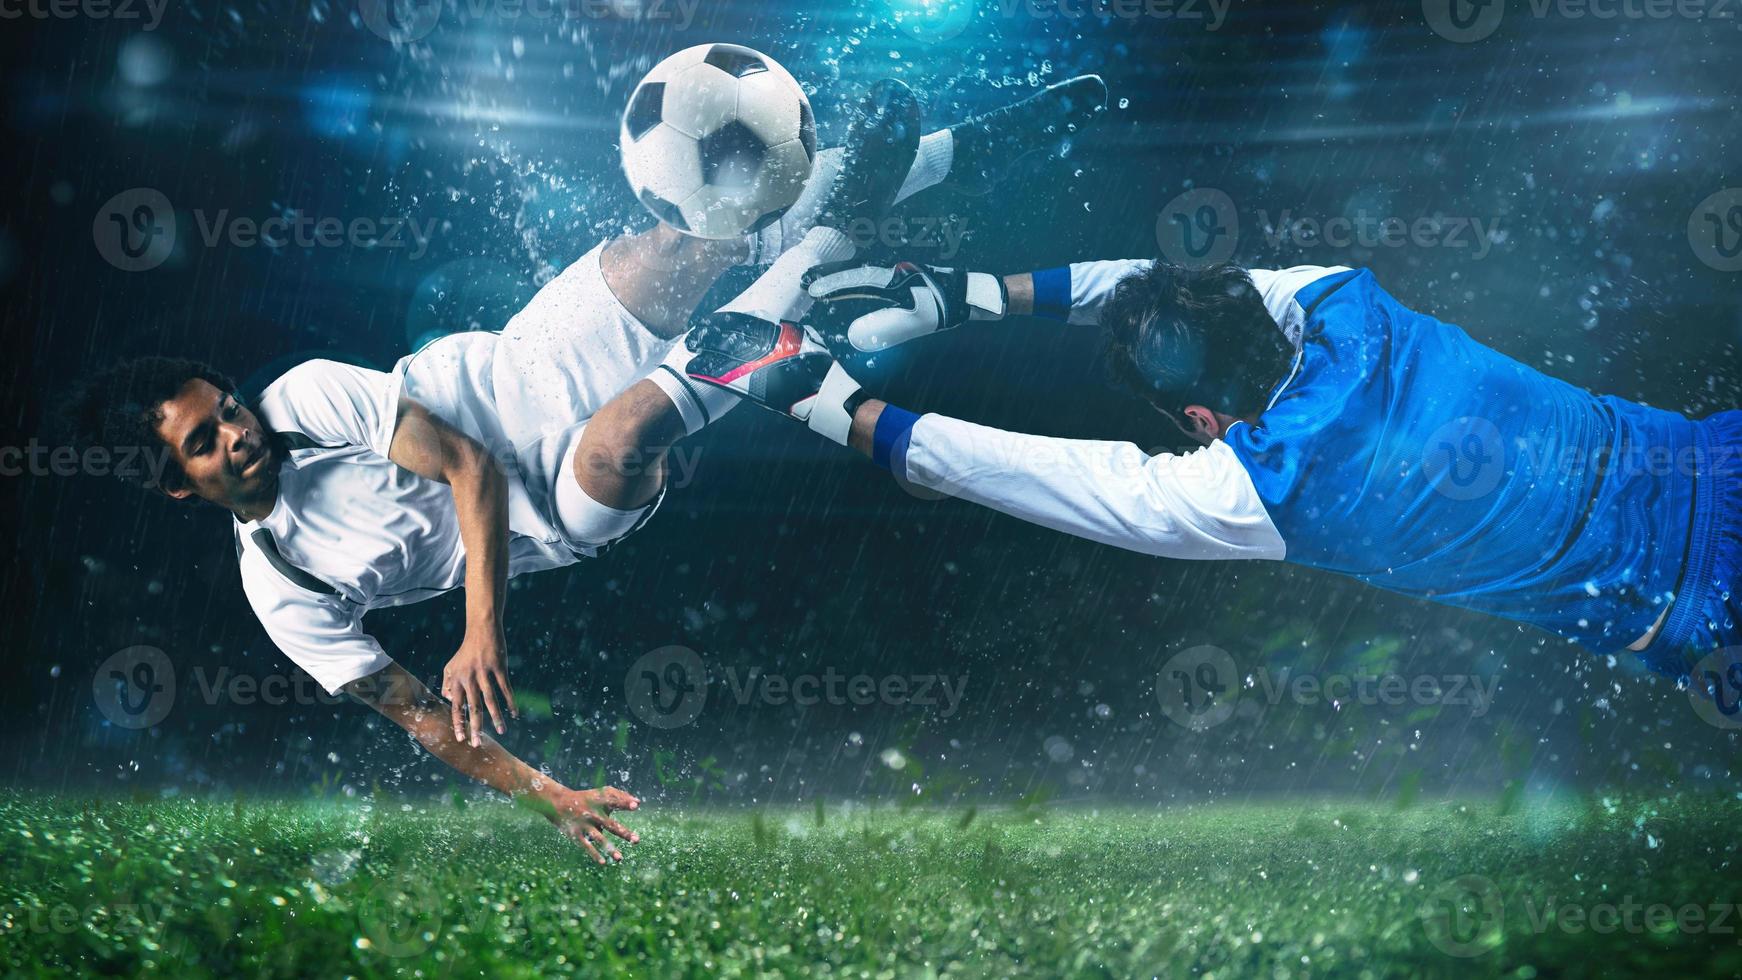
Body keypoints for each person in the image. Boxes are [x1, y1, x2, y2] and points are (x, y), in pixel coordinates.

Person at [62, 75, 1112, 861]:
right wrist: (545, 792)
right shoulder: (283, 590)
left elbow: (462, 462)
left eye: (225, 410)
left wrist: (480, 628)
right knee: (621, 437)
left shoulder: (301, 399)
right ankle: (830, 246)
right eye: (206, 443)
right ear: (176, 484)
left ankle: (944, 154)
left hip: (538, 351)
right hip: (557, 507)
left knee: (690, 239)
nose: (238, 433)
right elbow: (423, 715)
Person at [686, 256, 1740, 687]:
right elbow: (1162, 281)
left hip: (1703, 605)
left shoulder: (1255, 488)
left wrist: (816, 394)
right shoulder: (1342, 299)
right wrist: (967, 290)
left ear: (1197, 418)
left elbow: (1005, 468)